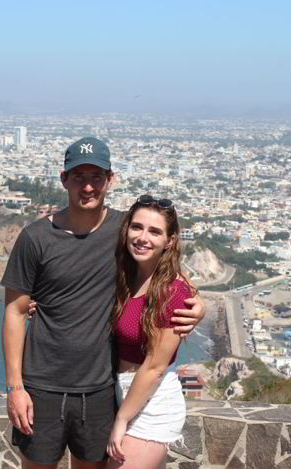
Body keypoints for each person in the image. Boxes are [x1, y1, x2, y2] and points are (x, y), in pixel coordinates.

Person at [1, 137, 205, 469]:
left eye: (96, 177)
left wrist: (200, 303)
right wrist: (14, 387)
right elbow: (14, 312)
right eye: (78, 177)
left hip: (99, 389)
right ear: (64, 179)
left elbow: (167, 269)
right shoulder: (35, 238)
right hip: (42, 387)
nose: (87, 187)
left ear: (110, 180)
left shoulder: (125, 231)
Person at [106, 195, 193, 468]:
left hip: (152, 403)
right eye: (137, 227)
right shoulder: (127, 275)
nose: (143, 237)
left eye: (154, 231)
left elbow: (155, 366)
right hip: (121, 393)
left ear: (170, 241)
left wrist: (122, 419)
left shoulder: (173, 290)